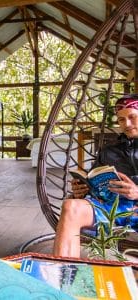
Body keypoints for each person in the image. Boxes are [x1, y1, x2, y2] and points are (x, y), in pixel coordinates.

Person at [53, 94, 138, 258]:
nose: (126, 124)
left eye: (132, 117)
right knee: (71, 207)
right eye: (121, 120)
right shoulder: (109, 151)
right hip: (112, 208)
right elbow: (95, 182)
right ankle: (62, 274)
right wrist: (83, 190)